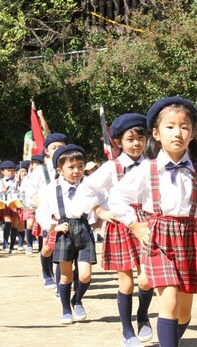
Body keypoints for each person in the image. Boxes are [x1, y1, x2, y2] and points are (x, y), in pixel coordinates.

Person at [109, 96, 197, 346]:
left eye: (184, 127)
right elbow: (117, 198)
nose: (178, 133)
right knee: (170, 301)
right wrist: (134, 223)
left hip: (189, 236)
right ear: (156, 133)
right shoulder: (147, 169)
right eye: (170, 126)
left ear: (192, 134)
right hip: (158, 236)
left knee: (183, 311)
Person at [73, 113, 154, 345]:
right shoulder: (112, 167)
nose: (137, 143)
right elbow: (85, 189)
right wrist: (99, 211)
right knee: (126, 282)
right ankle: (127, 331)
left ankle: (143, 315)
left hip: (147, 224)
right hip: (120, 225)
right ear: (118, 142)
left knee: (147, 280)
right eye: (130, 139)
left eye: (140, 138)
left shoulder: (152, 165)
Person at [37, 144, 97, 325]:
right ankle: (65, 309)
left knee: (85, 275)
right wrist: (52, 227)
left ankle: (77, 300)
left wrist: (98, 223)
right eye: (71, 167)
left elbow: (99, 204)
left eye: (80, 166)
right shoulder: (50, 189)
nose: (76, 171)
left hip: (84, 230)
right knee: (66, 276)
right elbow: (42, 212)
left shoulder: (89, 186)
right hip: (64, 232)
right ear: (59, 170)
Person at [33, 133, 69, 288]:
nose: (58, 150)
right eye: (54, 148)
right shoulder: (41, 171)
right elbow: (30, 190)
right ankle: (46, 272)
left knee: (64, 247)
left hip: (65, 213)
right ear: (46, 151)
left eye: (61, 147)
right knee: (48, 247)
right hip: (47, 214)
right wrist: (38, 202)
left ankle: (63, 281)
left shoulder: (69, 167)